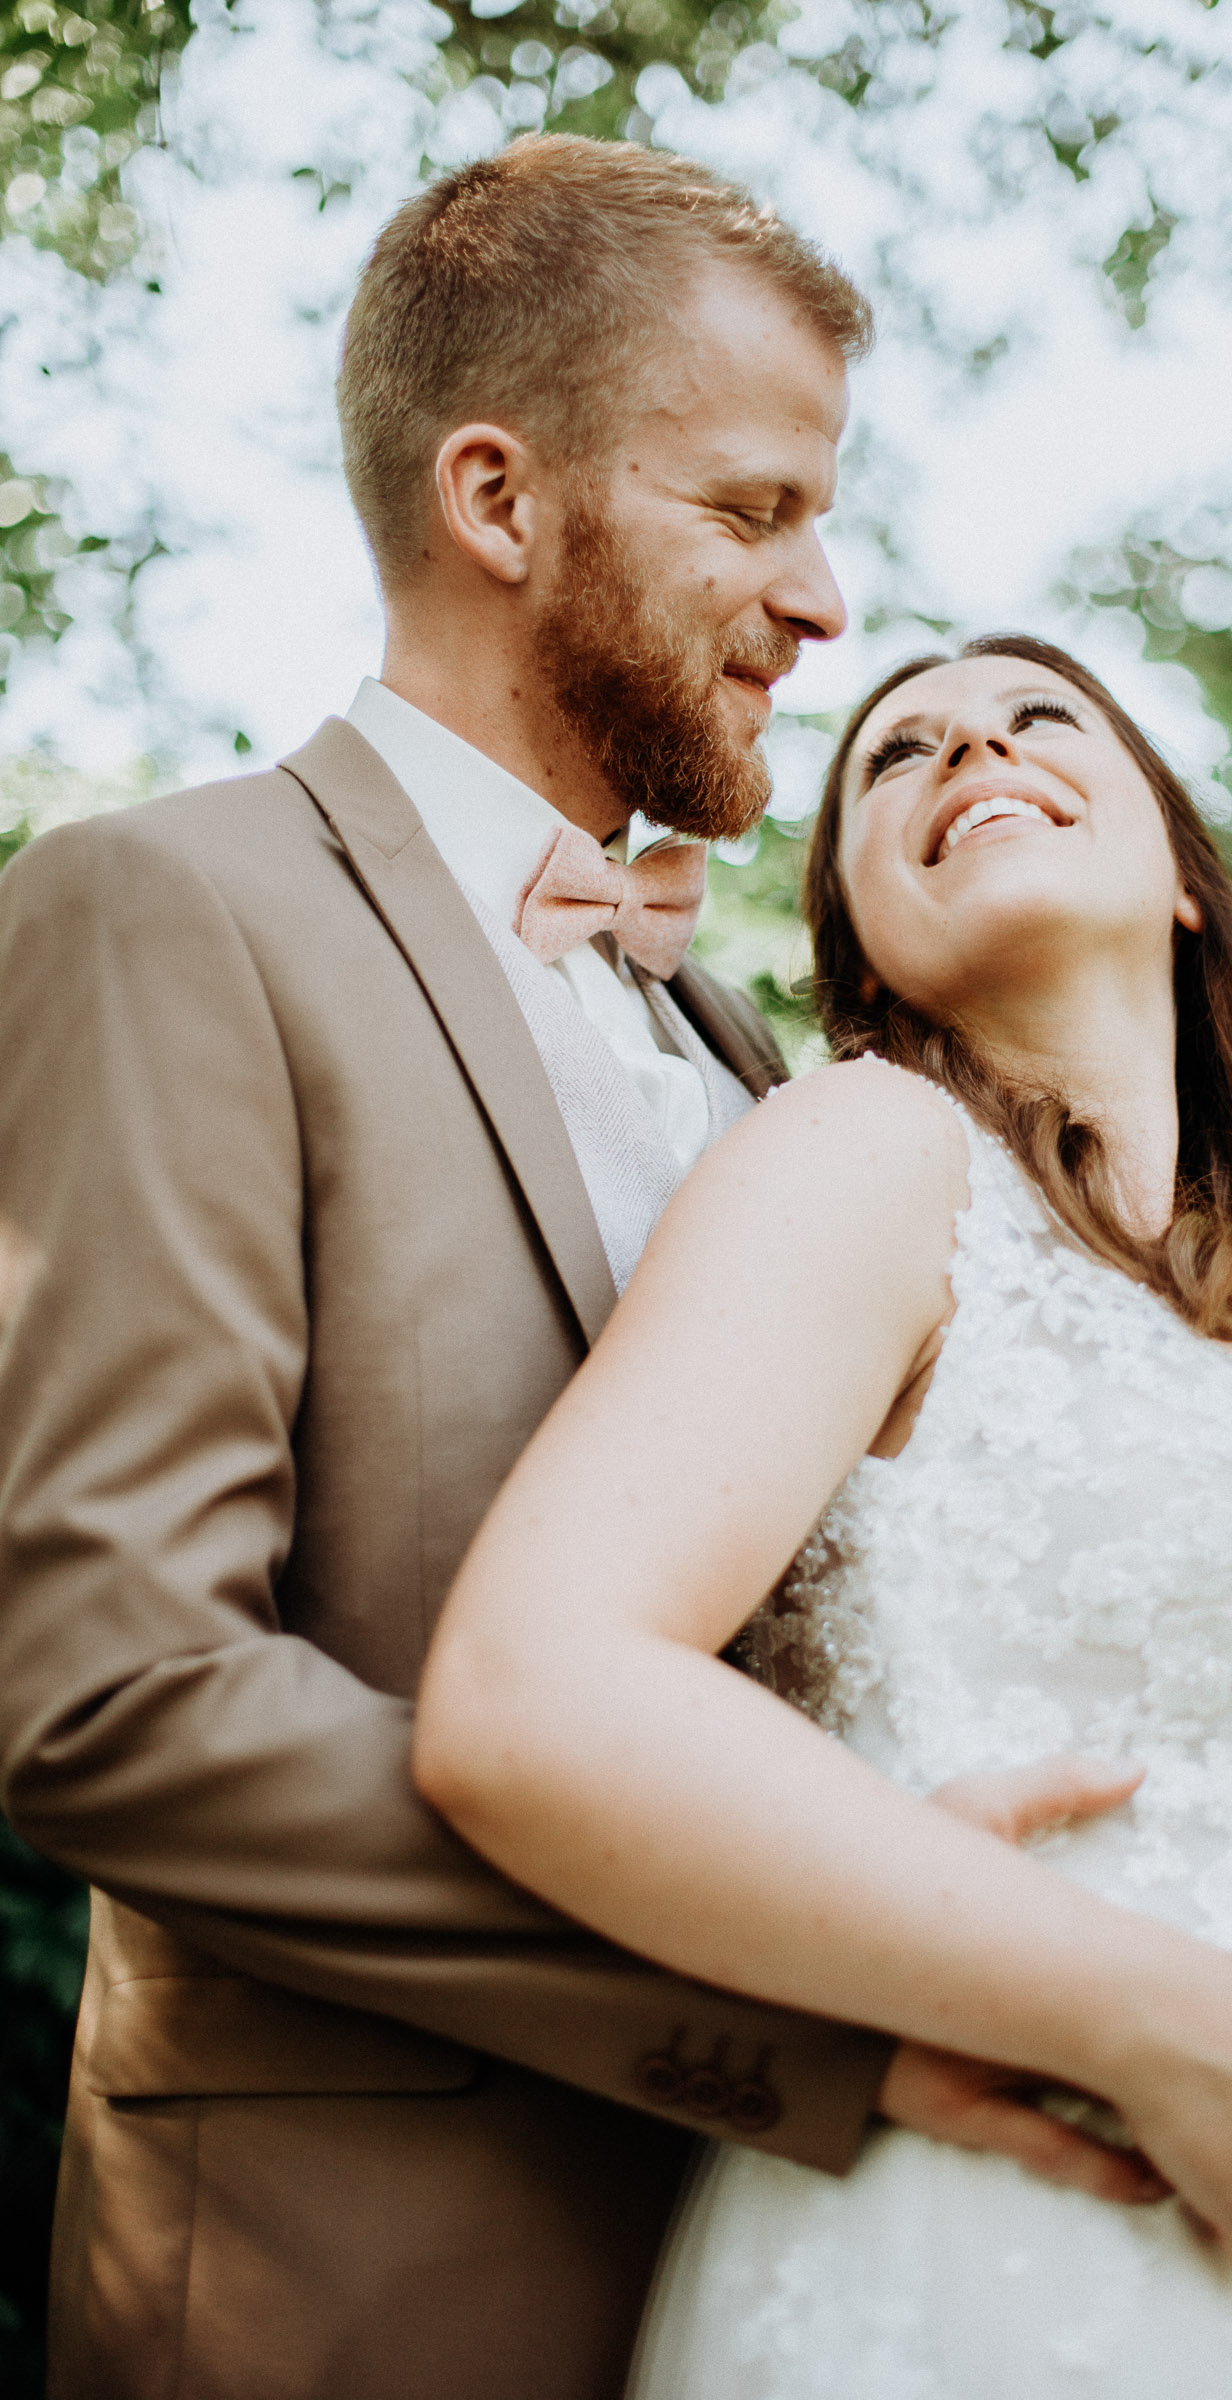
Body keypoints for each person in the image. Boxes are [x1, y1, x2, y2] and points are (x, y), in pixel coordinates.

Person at [0, 139, 1131, 2400]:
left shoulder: (771, 1070)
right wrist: (803, 1997)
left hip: (842, 2289)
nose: (827, 602)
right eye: (752, 510)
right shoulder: (167, 907)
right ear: (500, 503)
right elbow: (110, 1697)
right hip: (365, 2289)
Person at [414, 634, 1232, 2398]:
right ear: (858, 947)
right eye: (897, 756)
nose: (971, 738)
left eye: (1043, 718)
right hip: (1016, 2243)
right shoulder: (871, 1152)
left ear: (1189, 884)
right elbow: (537, 1691)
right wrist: (1144, 2008)